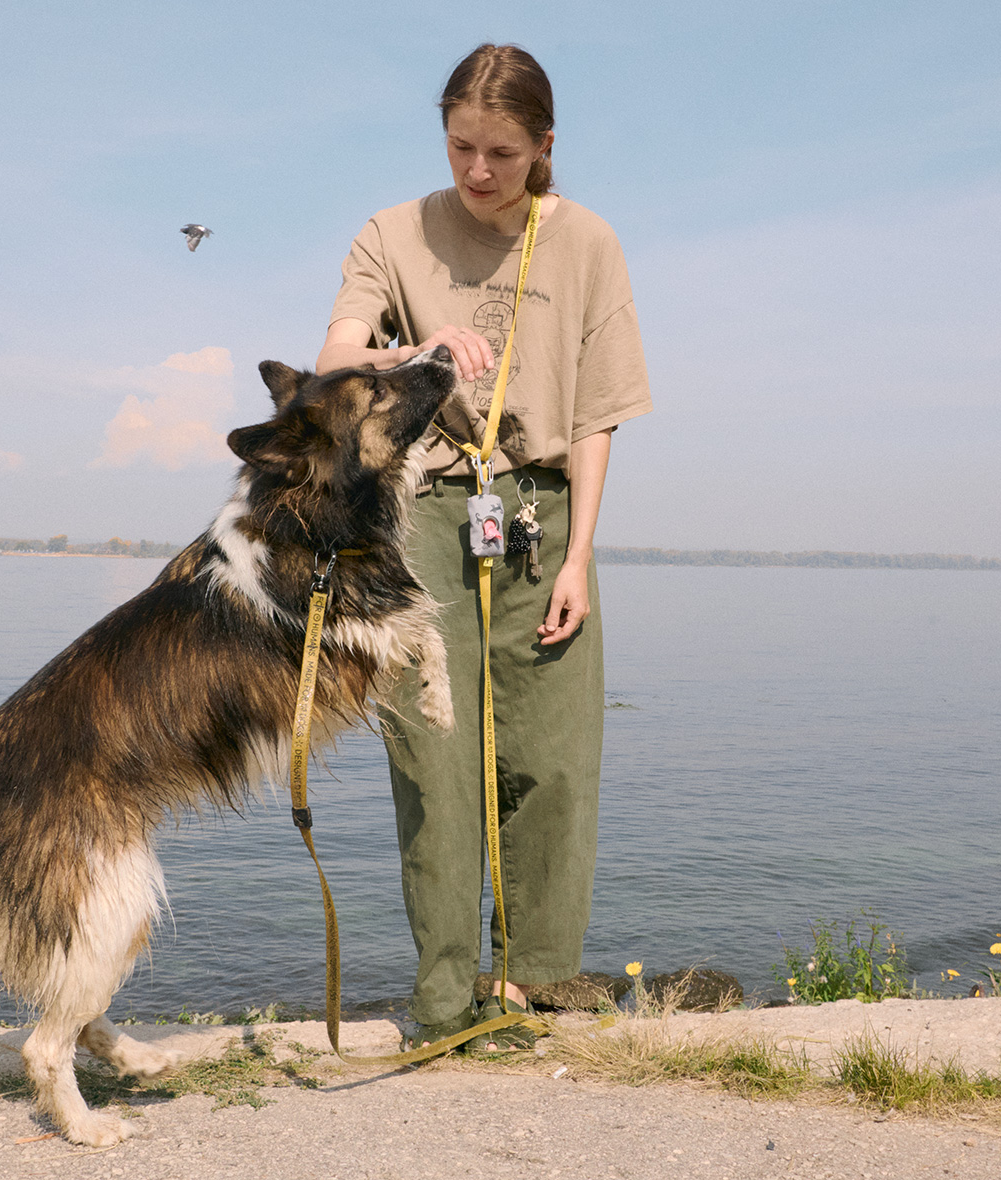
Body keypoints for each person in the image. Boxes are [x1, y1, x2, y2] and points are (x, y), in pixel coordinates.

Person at [316, 43, 651, 1049]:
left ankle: (537, 983)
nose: (476, 172)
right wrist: (413, 355)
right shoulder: (393, 231)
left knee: (551, 758)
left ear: (544, 147)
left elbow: (597, 415)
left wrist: (582, 554)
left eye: (501, 153)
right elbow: (332, 360)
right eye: (460, 145)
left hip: (543, 515)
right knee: (435, 754)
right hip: (421, 514)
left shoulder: (586, 243)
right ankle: (445, 1000)